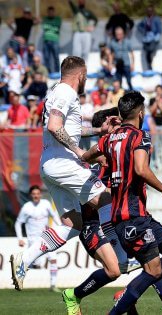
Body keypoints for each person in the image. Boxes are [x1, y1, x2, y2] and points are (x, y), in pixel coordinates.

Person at [63, 107, 162, 315]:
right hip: (96, 224)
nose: (117, 127)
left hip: (122, 218)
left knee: (153, 262)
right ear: (103, 126)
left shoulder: (119, 155)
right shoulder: (99, 161)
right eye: (112, 124)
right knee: (118, 269)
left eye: (118, 123)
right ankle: (74, 294)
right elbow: (91, 168)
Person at [9, 56, 117, 291]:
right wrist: (79, 151)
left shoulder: (56, 92)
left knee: (72, 225)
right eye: (86, 75)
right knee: (107, 198)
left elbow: (70, 129)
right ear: (80, 75)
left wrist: (99, 129)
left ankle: (24, 260)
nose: (87, 79)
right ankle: (119, 252)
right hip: (64, 164)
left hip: (51, 165)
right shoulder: (66, 93)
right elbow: (54, 126)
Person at [15, 185, 61, 292]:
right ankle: (18, 280)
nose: (36, 196)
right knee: (33, 264)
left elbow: (54, 216)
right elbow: (18, 223)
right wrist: (20, 238)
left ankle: (53, 285)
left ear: (40, 194)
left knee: (53, 259)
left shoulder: (46, 204)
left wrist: (59, 228)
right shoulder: (27, 207)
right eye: (34, 194)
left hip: (46, 238)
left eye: (38, 194)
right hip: (33, 240)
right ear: (31, 195)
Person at [138, 5, 162, 71]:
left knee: (151, 50)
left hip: (153, 38)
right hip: (146, 38)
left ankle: (150, 65)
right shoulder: (145, 19)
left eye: (150, 11)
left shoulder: (156, 19)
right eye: (148, 11)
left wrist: (157, 36)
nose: (149, 12)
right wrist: (143, 31)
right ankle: (148, 66)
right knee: (147, 52)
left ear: (153, 11)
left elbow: (159, 29)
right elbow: (139, 26)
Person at [42, 6, 62, 74]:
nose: (51, 13)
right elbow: (44, 25)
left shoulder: (58, 19)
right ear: (47, 12)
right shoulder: (45, 19)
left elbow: (57, 26)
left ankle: (57, 72)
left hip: (55, 40)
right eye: (49, 12)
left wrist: (48, 25)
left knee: (56, 57)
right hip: (46, 41)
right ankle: (48, 72)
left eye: (52, 12)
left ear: (54, 12)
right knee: (46, 58)